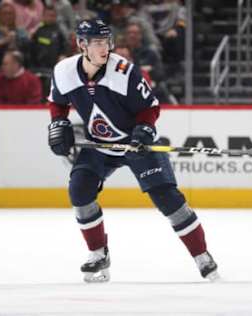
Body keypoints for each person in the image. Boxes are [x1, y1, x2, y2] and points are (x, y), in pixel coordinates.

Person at [47, 19, 219, 283]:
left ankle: (202, 256)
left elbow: (150, 108)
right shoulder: (63, 71)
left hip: (135, 142)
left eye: (107, 42)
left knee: (167, 197)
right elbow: (57, 103)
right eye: (98, 43)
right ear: (82, 44)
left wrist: (143, 131)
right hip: (100, 144)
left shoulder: (124, 71)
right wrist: (58, 123)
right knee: (79, 189)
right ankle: (98, 255)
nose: (105, 48)